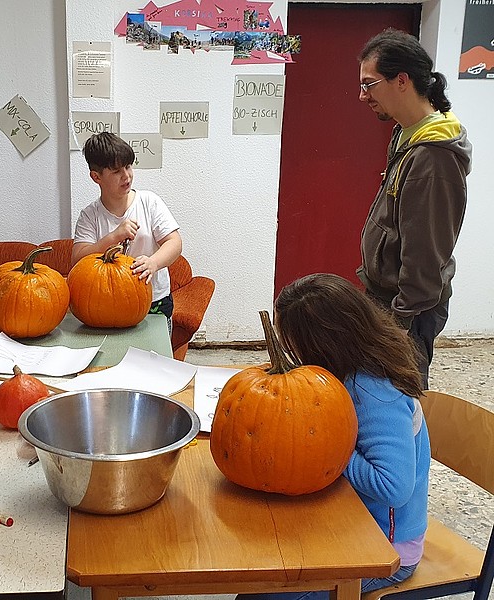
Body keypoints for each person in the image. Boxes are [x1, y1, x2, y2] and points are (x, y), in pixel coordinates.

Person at [238, 273, 429, 600]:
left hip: (386, 548)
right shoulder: (350, 368)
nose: (290, 352)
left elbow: (394, 488)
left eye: (293, 343)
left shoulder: (375, 392)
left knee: (261, 597)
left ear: (322, 345)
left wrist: (326, 448)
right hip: (351, 518)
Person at [357, 28, 472, 387]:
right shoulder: (407, 134)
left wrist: (398, 325)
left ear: (401, 80)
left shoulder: (434, 157)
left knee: (400, 403)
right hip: (386, 299)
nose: (362, 96)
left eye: (369, 84)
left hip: (407, 311)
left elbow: (426, 253)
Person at [72, 132, 182, 332]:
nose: (127, 176)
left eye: (129, 166)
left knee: (155, 359)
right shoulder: (90, 215)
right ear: (96, 177)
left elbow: (174, 243)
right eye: (116, 171)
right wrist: (114, 236)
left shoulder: (149, 202)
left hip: (154, 300)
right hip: (106, 307)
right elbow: (78, 260)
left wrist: (153, 263)